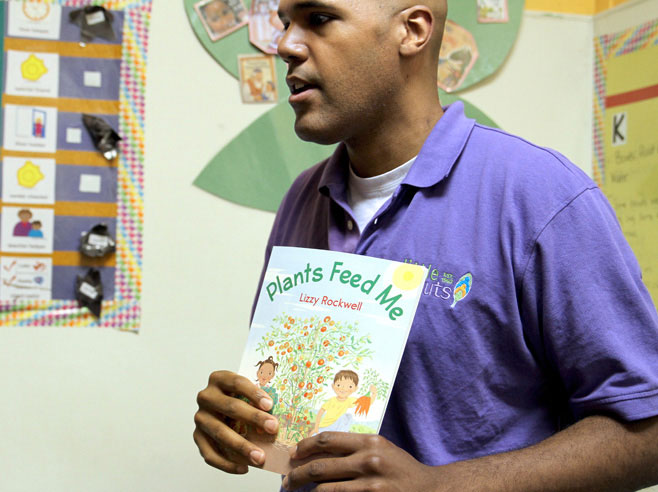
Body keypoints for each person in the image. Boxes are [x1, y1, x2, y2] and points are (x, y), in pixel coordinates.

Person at [194, 0, 658, 490]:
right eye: (286, 22)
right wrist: (240, 415)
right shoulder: (303, 197)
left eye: (319, 19)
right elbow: (308, 404)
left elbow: (648, 432)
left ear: (412, 31)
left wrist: (443, 486)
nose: (284, 44)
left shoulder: (541, 196)